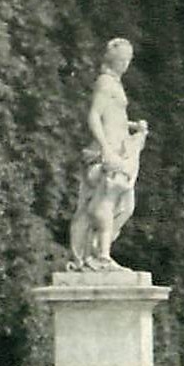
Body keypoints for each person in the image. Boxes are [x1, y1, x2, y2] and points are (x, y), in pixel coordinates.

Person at [68, 37, 149, 269]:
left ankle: (97, 251)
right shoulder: (105, 82)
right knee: (106, 204)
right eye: (125, 59)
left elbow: (114, 117)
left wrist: (133, 126)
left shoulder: (114, 83)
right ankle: (99, 255)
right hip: (107, 153)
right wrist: (106, 149)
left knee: (124, 206)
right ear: (118, 60)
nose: (127, 64)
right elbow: (94, 116)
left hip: (119, 150)